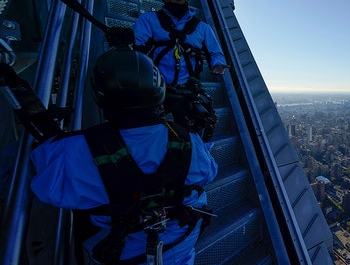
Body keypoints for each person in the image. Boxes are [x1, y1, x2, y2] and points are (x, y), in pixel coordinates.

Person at [30, 49, 218, 264]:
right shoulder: (188, 141)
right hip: (180, 245)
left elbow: (46, 186)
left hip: (122, 253)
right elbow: (208, 173)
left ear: (100, 95)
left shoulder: (70, 152)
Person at [132, 0, 228, 141]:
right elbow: (138, 46)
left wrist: (218, 64)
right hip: (155, 85)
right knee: (146, 129)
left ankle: (194, 157)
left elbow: (215, 52)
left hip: (186, 86)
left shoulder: (202, 28)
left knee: (201, 124)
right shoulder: (149, 20)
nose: (172, 2)